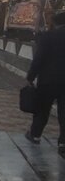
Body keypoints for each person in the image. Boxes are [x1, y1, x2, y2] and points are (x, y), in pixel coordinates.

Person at [25, 11, 65, 152]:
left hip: (48, 80)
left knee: (42, 109)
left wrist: (30, 77)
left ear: (55, 22)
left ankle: (35, 135)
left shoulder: (48, 37)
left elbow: (39, 58)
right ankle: (63, 143)